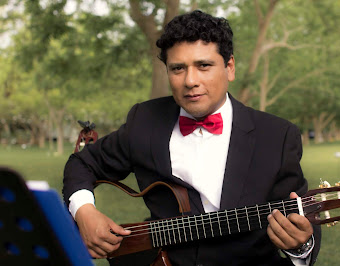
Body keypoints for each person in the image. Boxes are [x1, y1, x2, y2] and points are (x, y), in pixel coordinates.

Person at [63, 10, 321, 265]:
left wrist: (301, 245)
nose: (190, 81)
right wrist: (85, 212)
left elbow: (299, 215)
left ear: (229, 67)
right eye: (178, 68)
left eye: (204, 65)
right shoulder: (145, 120)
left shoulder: (277, 136)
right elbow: (82, 163)